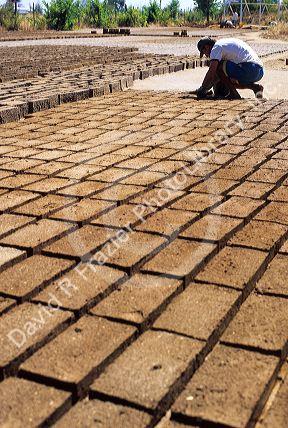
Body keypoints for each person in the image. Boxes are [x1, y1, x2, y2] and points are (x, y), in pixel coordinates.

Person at [193, 37, 264, 99]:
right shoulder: (224, 44)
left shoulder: (216, 48)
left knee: (218, 67)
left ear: (207, 47)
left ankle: (233, 93)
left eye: (204, 52)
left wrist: (203, 89)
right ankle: (255, 87)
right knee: (227, 79)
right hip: (259, 71)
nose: (206, 55)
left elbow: (212, 72)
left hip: (249, 69)